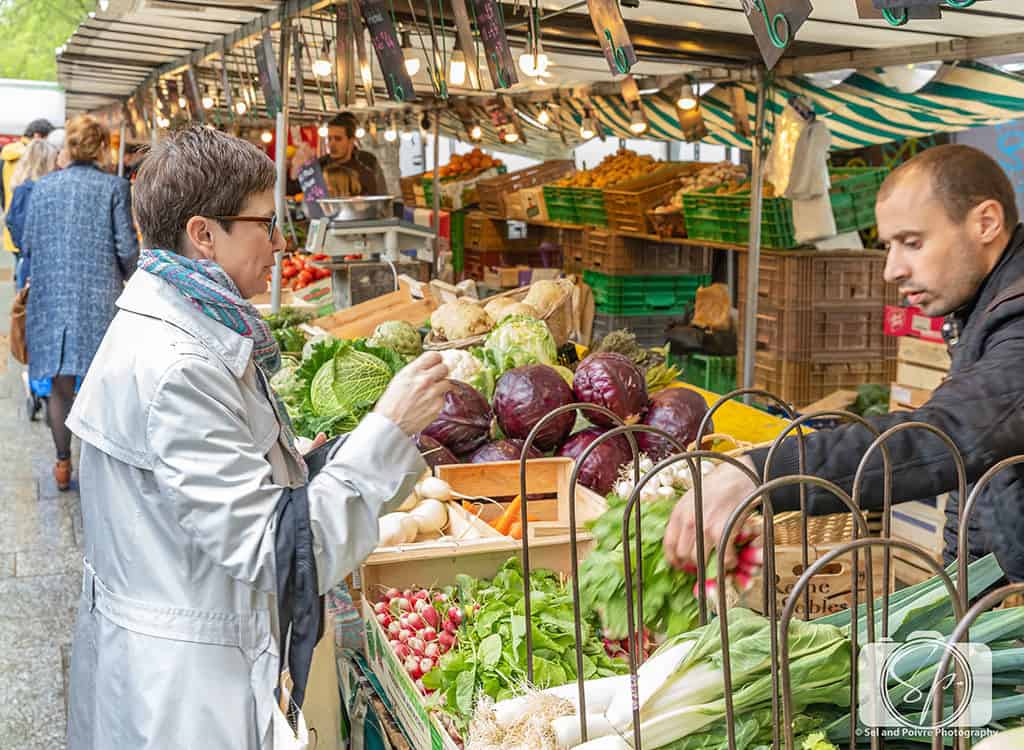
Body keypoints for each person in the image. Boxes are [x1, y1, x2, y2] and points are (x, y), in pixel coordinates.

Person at [64, 125, 449, 750]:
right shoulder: (179, 363)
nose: (277, 243)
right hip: (186, 691)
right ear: (204, 234)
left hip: (174, 653)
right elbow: (278, 552)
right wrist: (389, 429)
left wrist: (305, 461)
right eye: (265, 224)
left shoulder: (180, 321)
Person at [664, 144, 1024, 582]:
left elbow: (949, 436)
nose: (892, 269)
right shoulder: (987, 304)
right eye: (889, 246)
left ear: (985, 223)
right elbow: (977, 467)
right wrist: (957, 590)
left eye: (912, 243)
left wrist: (765, 473)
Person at [21, 114, 138, 490]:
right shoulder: (115, 188)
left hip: (51, 293)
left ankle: (61, 463)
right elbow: (126, 249)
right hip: (99, 296)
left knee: (59, 384)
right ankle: (98, 470)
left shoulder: (42, 188)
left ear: (68, 147)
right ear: (102, 147)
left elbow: (28, 245)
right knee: (101, 381)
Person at [292, 112, 387, 198]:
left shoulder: (366, 171)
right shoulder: (320, 166)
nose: (331, 144)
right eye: (329, 139)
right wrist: (296, 169)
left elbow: (377, 204)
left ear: (351, 141)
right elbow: (293, 188)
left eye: (338, 139)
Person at [4, 139, 58, 288]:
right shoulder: (39, 190)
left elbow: (11, 220)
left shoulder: (21, 188)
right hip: (39, 262)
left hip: (27, 259)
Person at [2, 118, 54, 254]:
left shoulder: (5, 156)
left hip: (13, 224)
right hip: (33, 236)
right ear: (37, 136)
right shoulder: (39, 156)